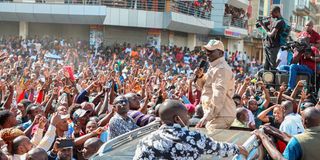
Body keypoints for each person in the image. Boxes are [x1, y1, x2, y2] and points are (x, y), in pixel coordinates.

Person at [133, 100, 248, 159]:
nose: (188, 118)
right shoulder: (193, 138)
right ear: (177, 119)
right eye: (186, 115)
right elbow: (218, 148)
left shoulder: (145, 141)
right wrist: (237, 148)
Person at [195, 39, 236, 132]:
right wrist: (200, 76)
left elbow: (219, 95)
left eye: (211, 51)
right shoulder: (214, 67)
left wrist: (207, 116)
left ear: (220, 53)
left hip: (220, 115)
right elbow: (203, 87)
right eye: (206, 51)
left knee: (209, 143)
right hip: (217, 114)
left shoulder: (221, 69)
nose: (207, 53)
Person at [254, 107, 320, 160]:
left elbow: (280, 158)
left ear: (304, 121)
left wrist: (263, 137)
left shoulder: (297, 141)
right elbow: (291, 139)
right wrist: (272, 131)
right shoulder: (301, 139)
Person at [259, 6, 286, 70]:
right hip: (269, 46)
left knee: (272, 66)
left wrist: (262, 26)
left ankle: (272, 79)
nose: (271, 15)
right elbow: (271, 32)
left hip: (274, 47)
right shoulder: (276, 21)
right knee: (266, 66)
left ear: (277, 12)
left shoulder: (280, 22)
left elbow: (271, 34)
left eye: (272, 13)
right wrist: (265, 25)